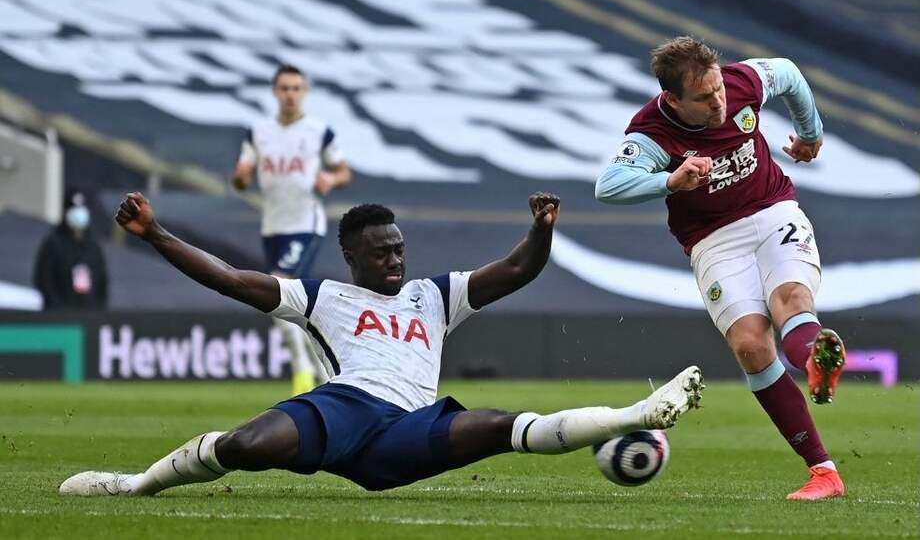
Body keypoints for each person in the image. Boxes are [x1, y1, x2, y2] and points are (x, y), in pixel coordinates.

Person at [59, 191, 703, 497]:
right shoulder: (322, 297)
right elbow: (228, 279)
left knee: (496, 426)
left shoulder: (433, 294)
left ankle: (639, 414)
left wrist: (541, 231)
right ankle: (135, 485)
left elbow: (514, 272)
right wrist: (154, 233)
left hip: (408, 428)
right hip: (343, 406)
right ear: (352, 256)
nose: (395, 259)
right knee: (246, 447)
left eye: (398, 248)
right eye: (381, 251)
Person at [595, 36, 846, 500]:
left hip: (774, 210)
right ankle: (824, 473)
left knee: (789, 299)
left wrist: (809, 134)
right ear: (672, 99)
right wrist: (667, 180)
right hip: (713, 239)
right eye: (704, 97)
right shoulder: (651, 132)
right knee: (750, 344)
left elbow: (787, 73)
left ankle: (816, 361)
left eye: (718, 89)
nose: (719, 102)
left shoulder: (742, 81)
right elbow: (608, 186)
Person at [232, 64, 353, 395]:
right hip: (273, 226)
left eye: (296, 88)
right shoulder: (258, 132)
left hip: (306, 224)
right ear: (275, 92)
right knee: (293, 304)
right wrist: (241, 176)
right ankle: (328, 377)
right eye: (284, 88)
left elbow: (344, 171)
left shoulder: (318, 131)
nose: (290, 94)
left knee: (279, 289)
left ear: (305, 92)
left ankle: (302, 371)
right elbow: (241, 177)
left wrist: (331, 178)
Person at [33, 188, 108, 310]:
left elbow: (102, 281)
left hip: (90, 313)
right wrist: (56, 306)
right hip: (61, 315)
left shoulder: (93, 246)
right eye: (74, 211)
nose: (78, 215)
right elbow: (43, 279)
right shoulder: (53, 243)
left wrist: (99, 307)